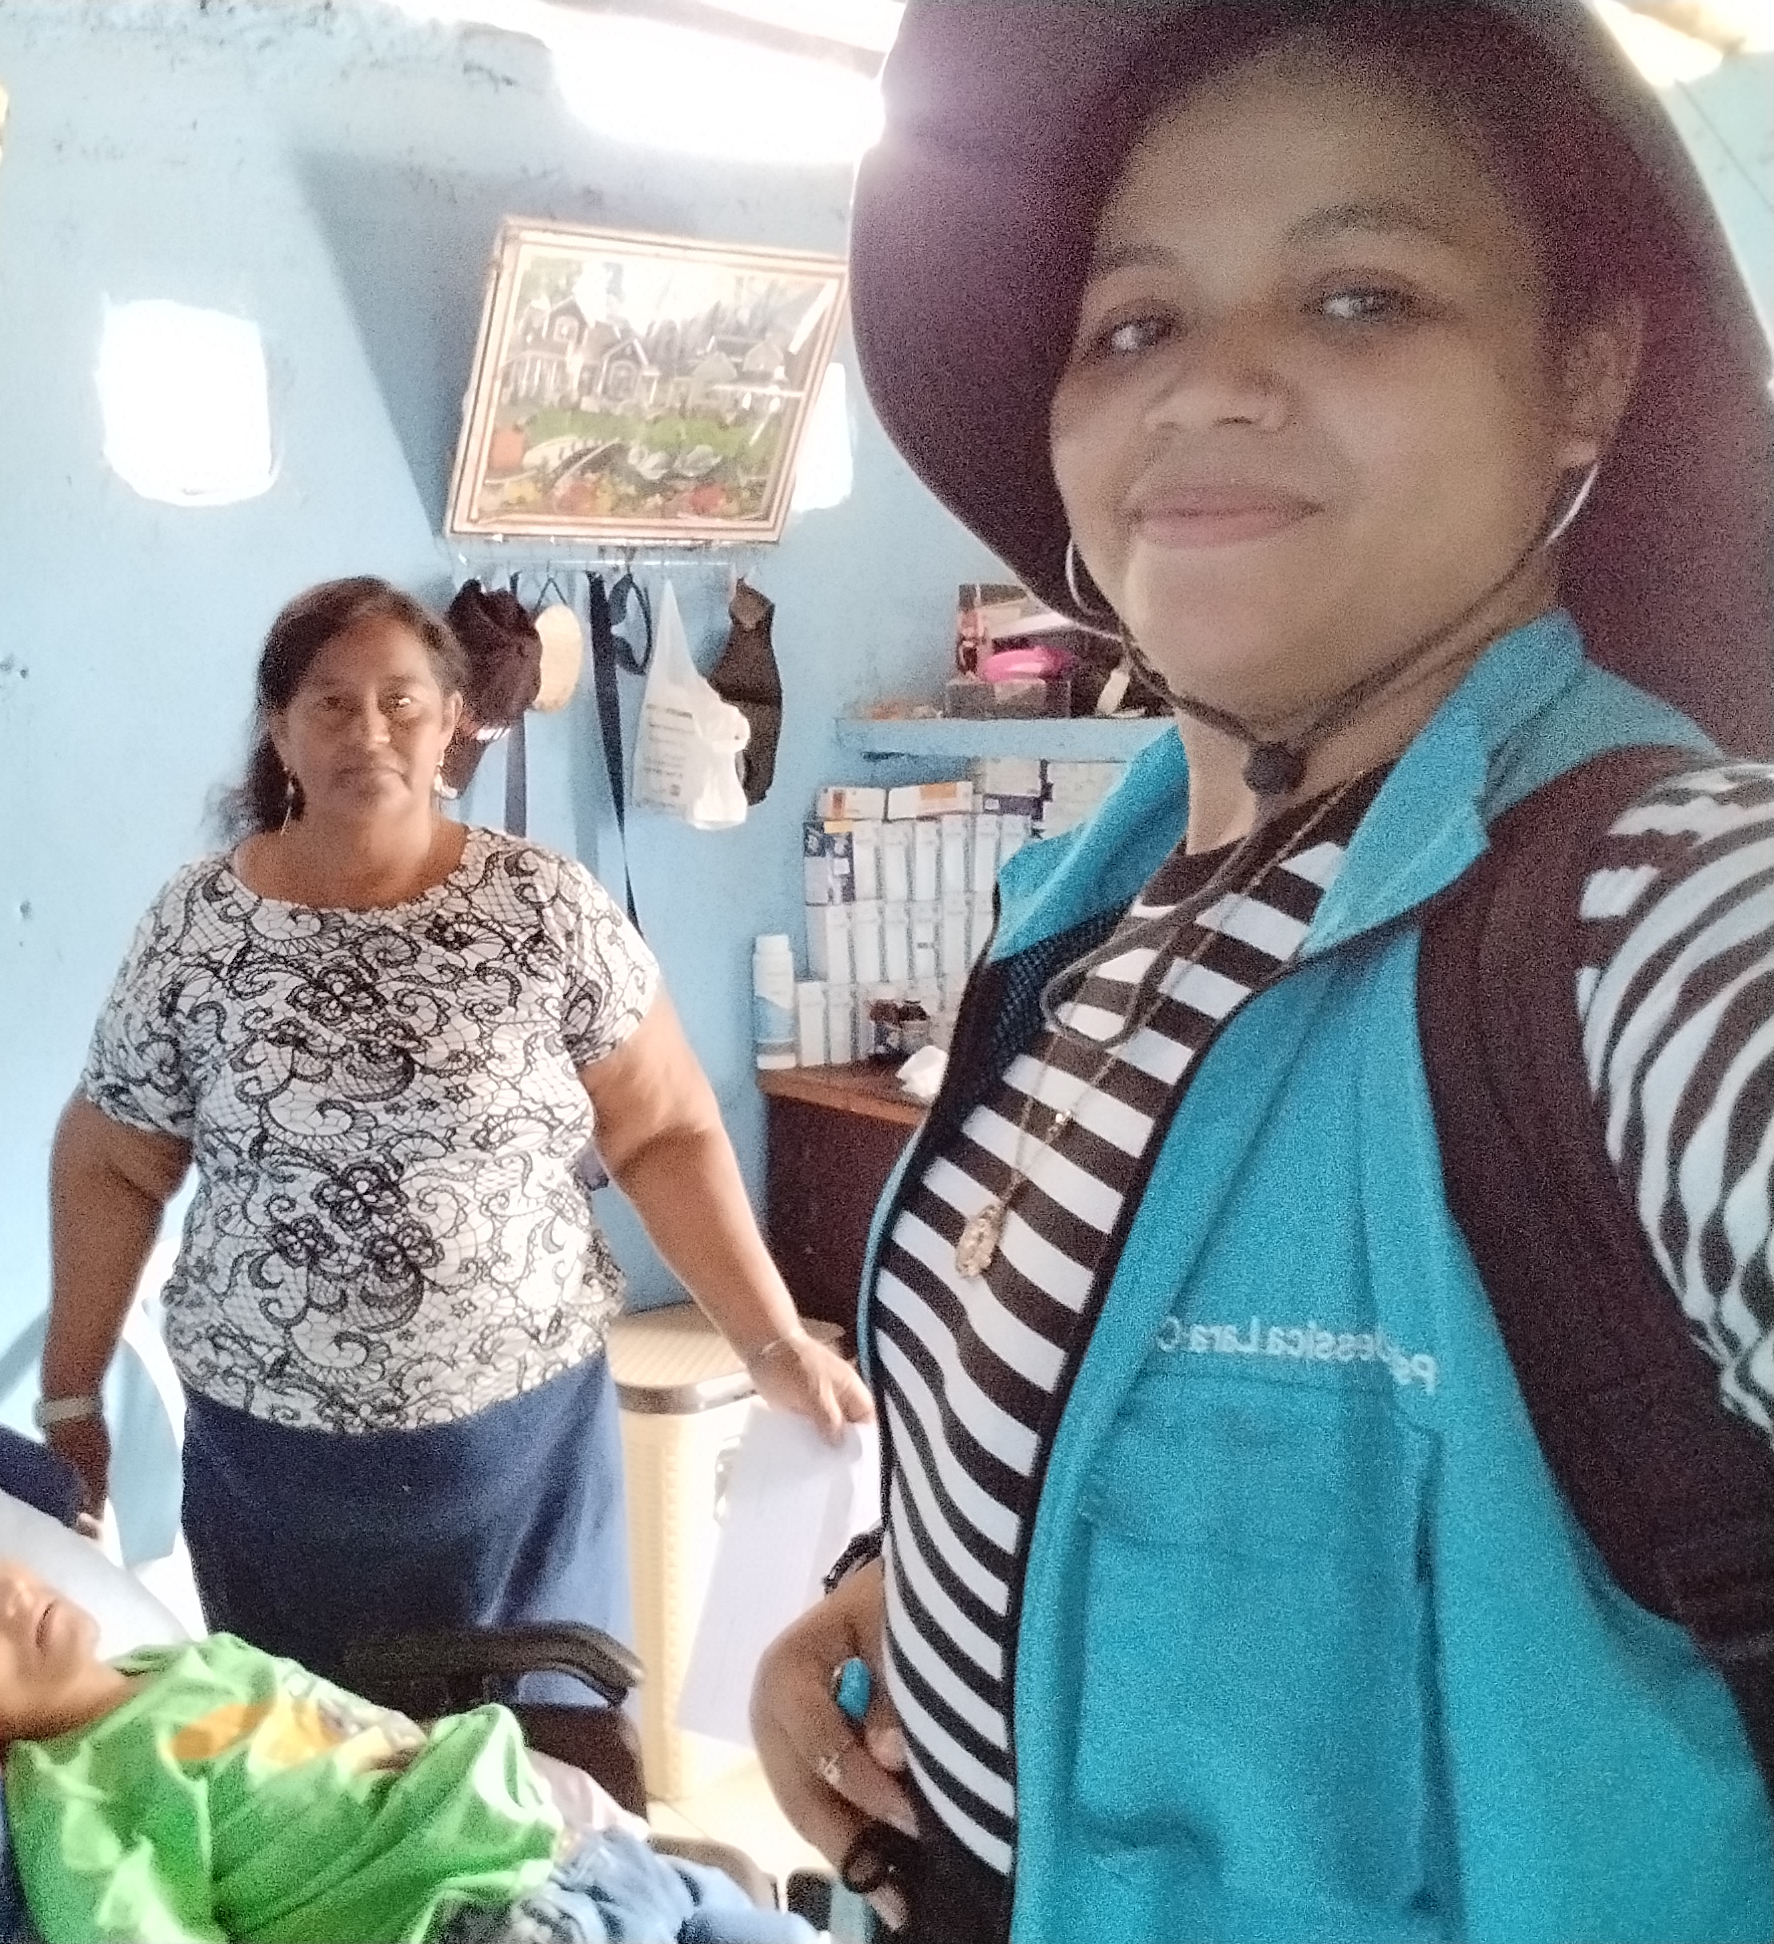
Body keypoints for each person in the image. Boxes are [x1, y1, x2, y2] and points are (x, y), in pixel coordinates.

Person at [750, 4, 1774, 1941]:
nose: (1209, 386)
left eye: (1359, 297)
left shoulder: (1651, 917)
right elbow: (1104, 1417)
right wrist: (902, 1592)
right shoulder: (1082, 915)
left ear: (1583, 377)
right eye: (1132, 324)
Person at [44, 576, 871, 1690]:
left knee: (547, 1760)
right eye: (331, 703)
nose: (368, 730)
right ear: (281, 732)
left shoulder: (542, 908)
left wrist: (772, 1342)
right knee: (313, 1770)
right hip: (277, 1475)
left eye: (401, 701)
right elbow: (112, 1159)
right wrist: (70, 1393)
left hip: (522, 1467)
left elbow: (666, 1132)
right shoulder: (197, 927)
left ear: (451, 724)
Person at [0, 1531, 813, 1944]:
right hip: (461, 1922)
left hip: (573, 1857)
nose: (1, 1597)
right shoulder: (75, 1796)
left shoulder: (187, 1661)